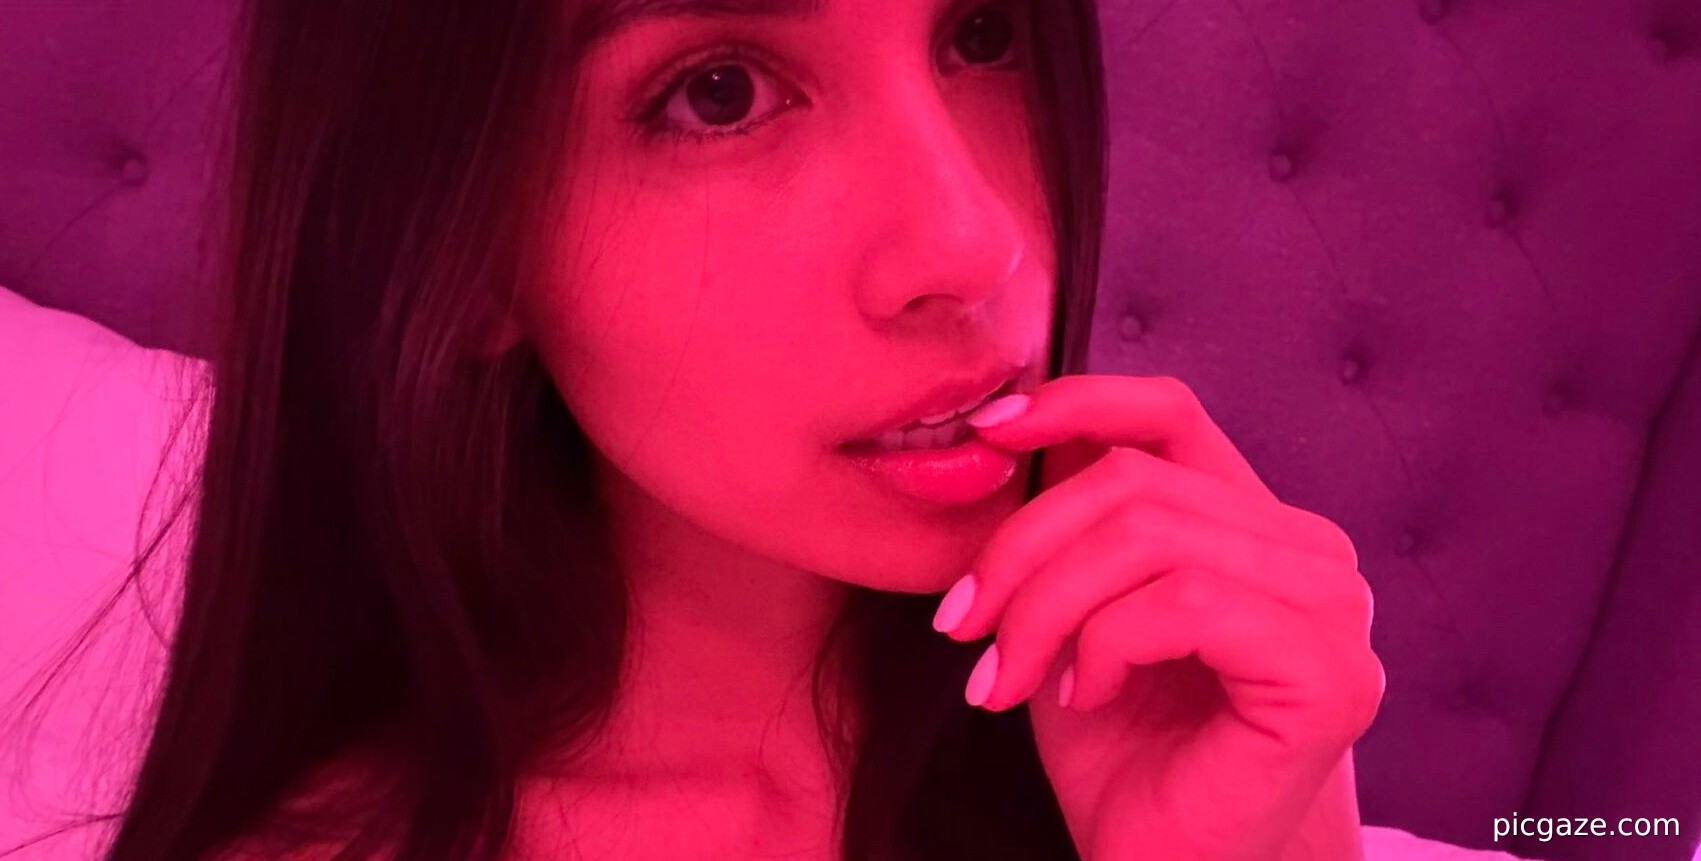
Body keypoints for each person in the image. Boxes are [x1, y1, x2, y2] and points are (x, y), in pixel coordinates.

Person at [3, 0, 1454, 857]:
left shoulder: (1180, 732)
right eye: (721, 92)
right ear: (462, 251)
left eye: (981, 31)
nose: (971, 243)